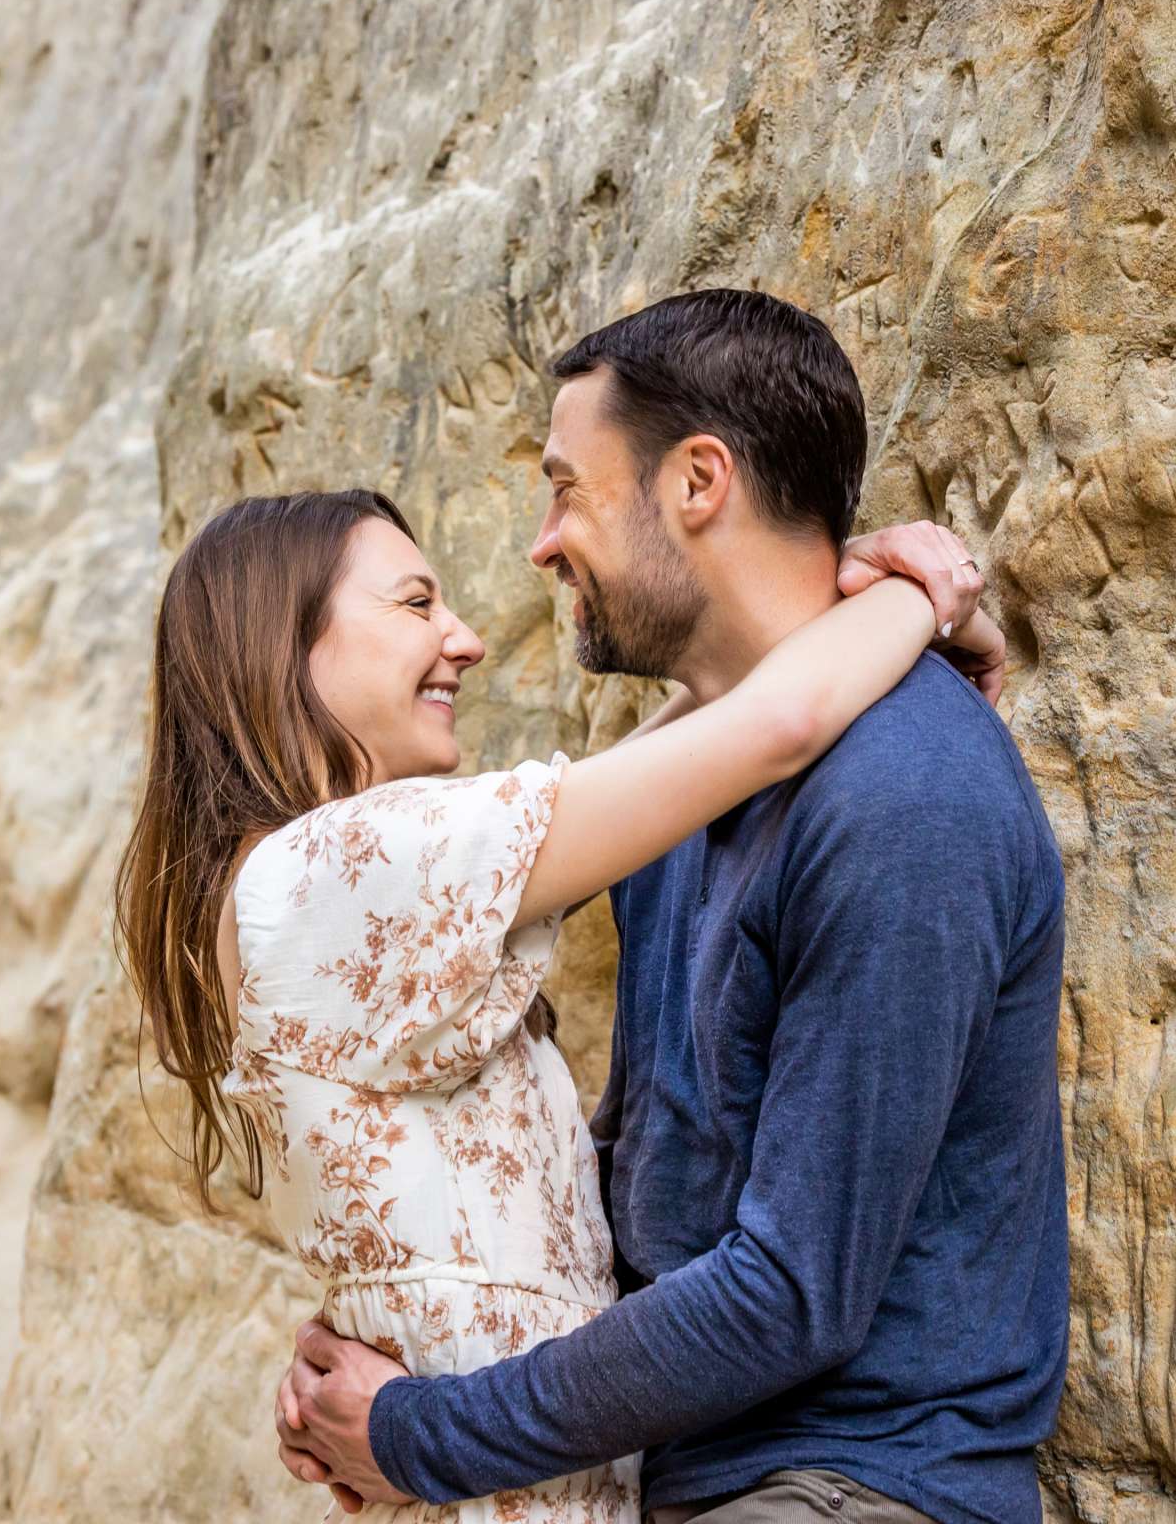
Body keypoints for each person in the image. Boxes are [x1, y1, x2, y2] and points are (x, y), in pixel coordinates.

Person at [117, 349, 1004, 1519]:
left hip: (512, 1462)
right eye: (417, 602)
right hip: (492, 1472)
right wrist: (908, 593)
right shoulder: (346, 866)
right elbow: (778, 721)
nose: (471, 636)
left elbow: (670, 764)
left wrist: (799, 598)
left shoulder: (322, 889)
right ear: (283, 650)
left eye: (563, 491)